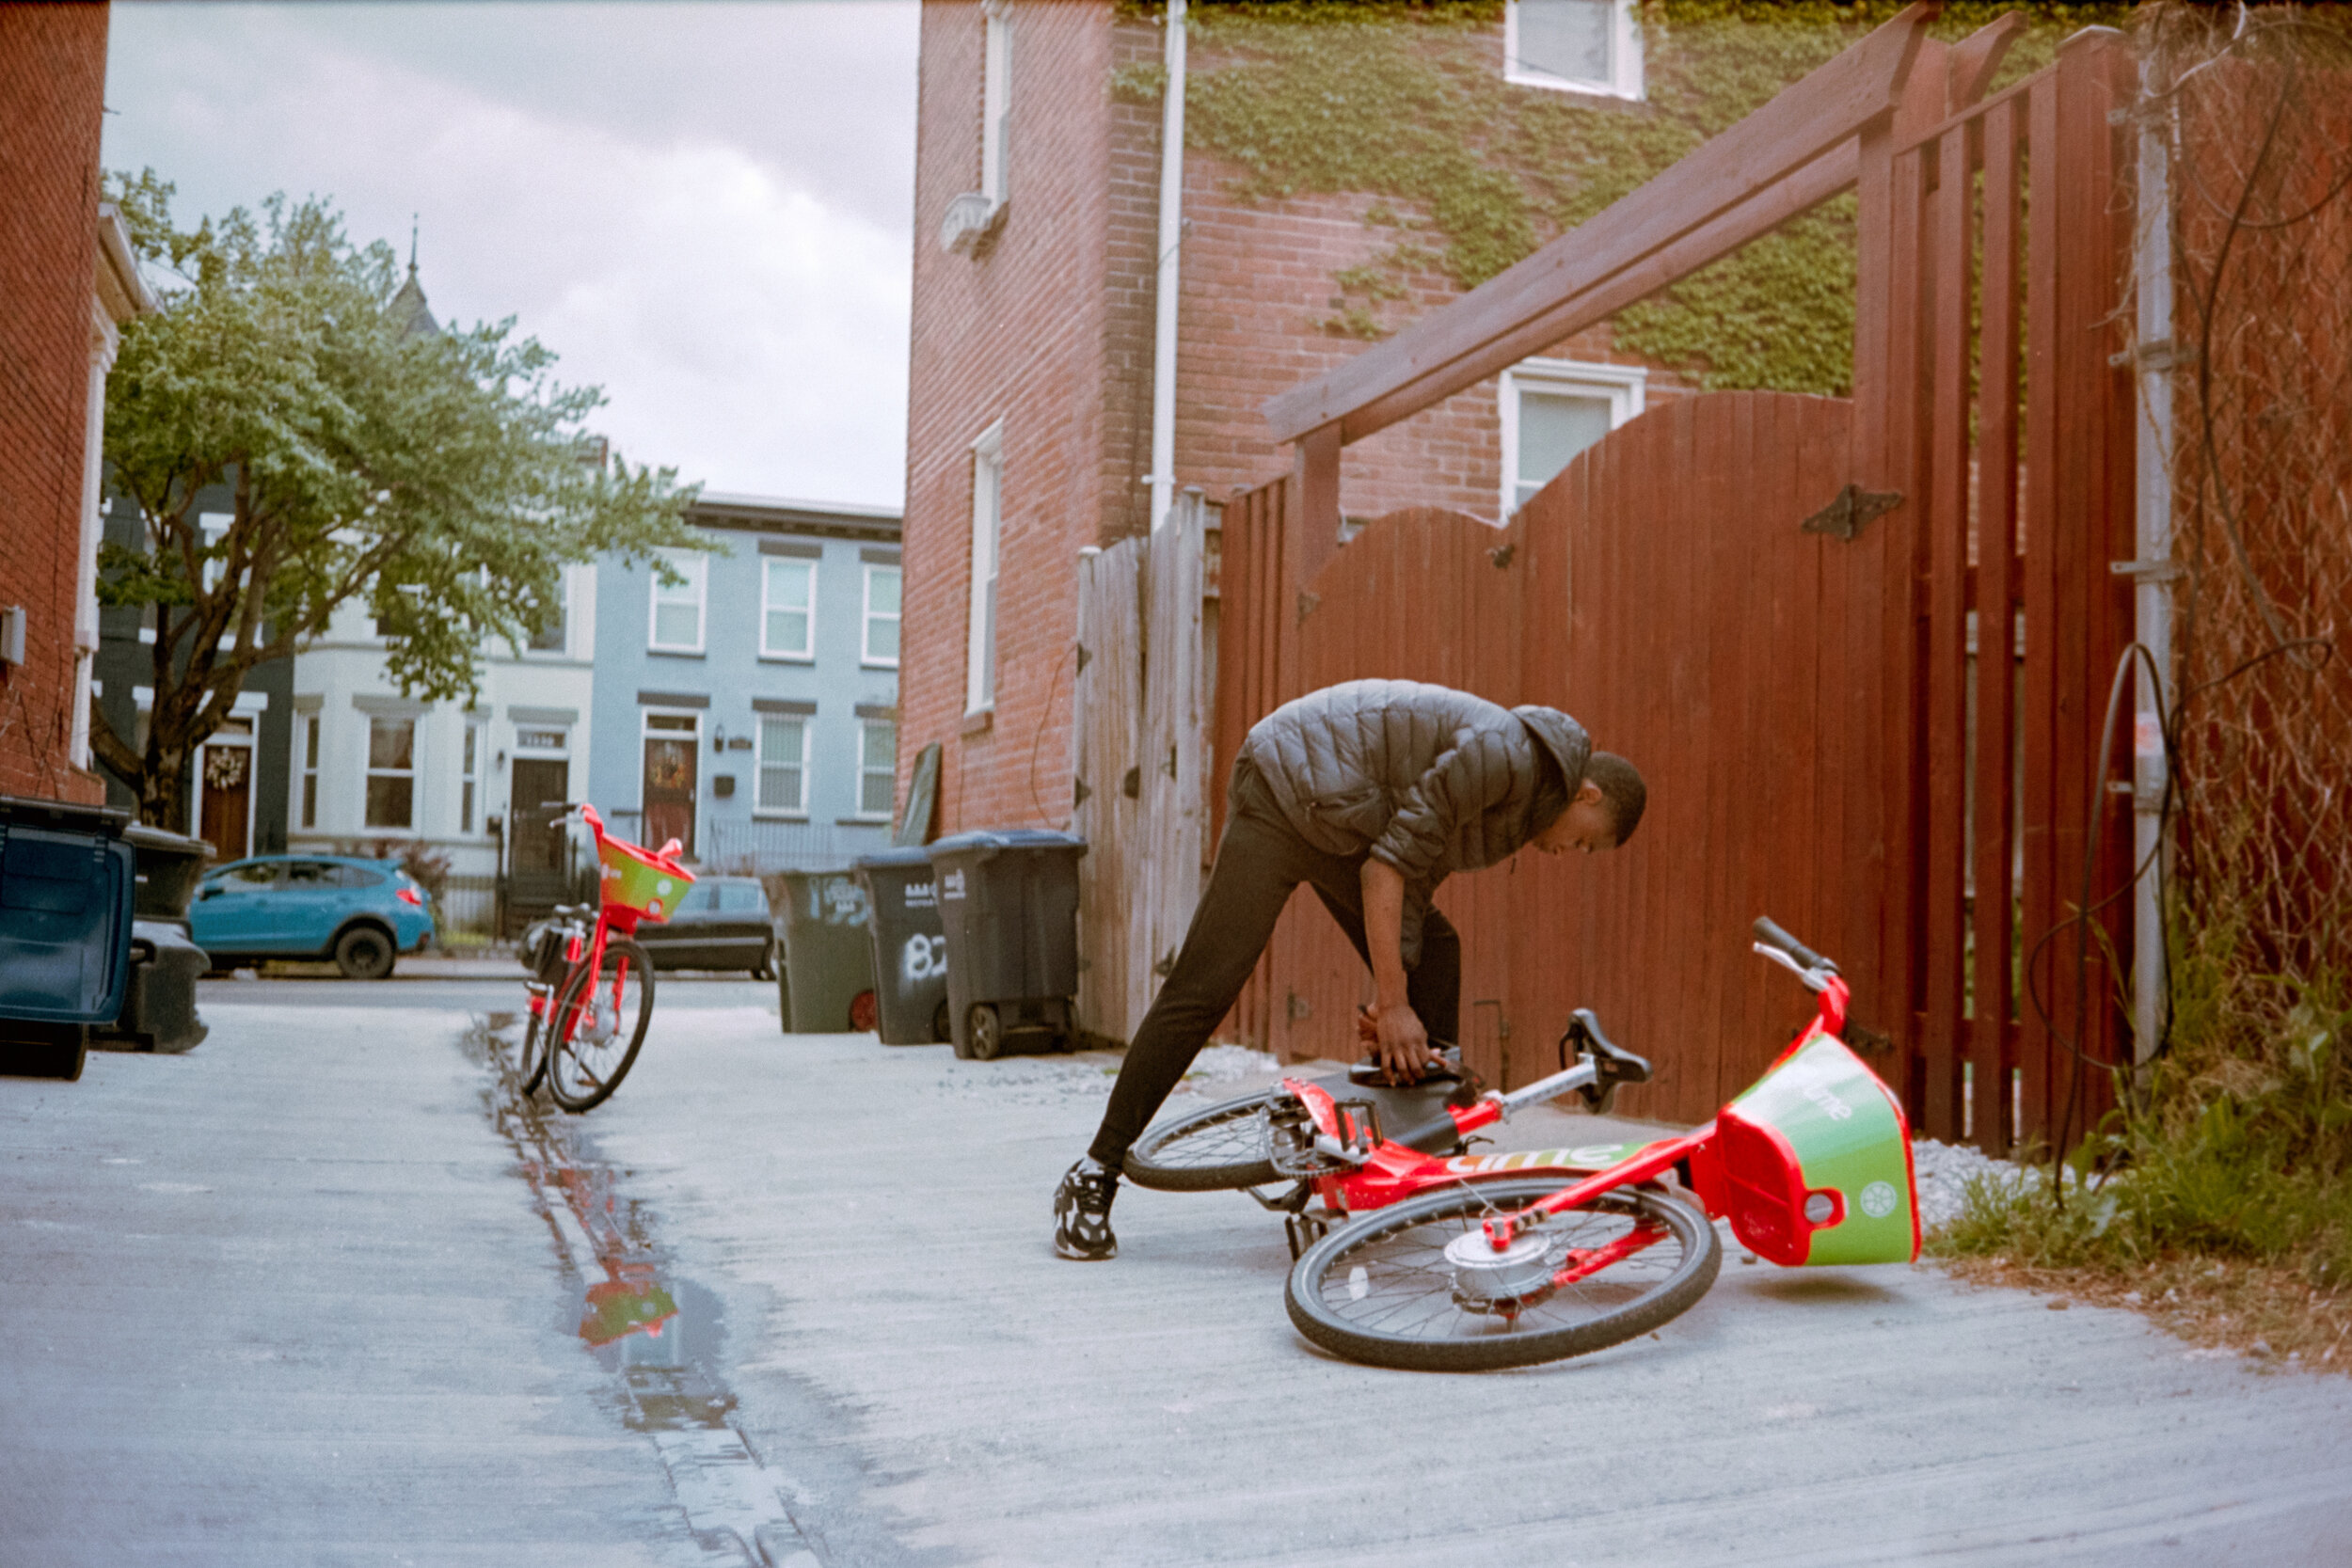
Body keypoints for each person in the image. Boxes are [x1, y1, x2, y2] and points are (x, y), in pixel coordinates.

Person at [1053, 677, 1645, 1260]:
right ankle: (1095, 1171)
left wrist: (1400, 993)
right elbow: (1383, 872)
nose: (1574, 855)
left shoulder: (1523, 807)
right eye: (1587, 843)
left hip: (1344, 821)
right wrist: (1392, 1003)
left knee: (1436, 952)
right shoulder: (1503, 756)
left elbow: (1412, 877)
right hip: (1288, 788)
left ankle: (1416, 1160)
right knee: (1205, 989)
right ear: (1586, 795)